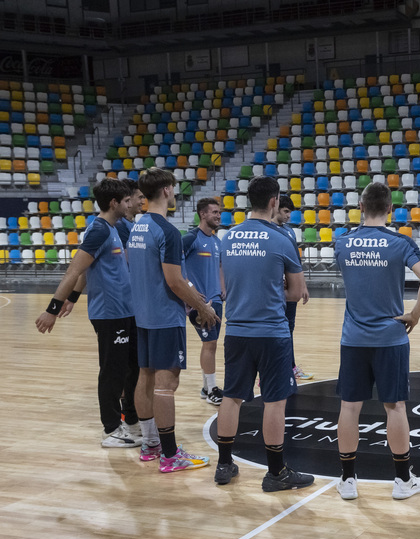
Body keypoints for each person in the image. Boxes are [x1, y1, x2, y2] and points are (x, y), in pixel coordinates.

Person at [333, 182, 420, 501]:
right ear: (390, 208)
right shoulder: (400, 243)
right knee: (395, 407)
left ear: (361, 207)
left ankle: (348, 480)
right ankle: (403, 481)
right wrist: (415, 315)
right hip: (391, 338)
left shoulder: (342, 243)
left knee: (350, 407)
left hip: (354, 337)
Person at [214, 177, 315, 491]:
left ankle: (224, 464)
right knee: (274, 403)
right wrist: (272, 289)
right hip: (272, 332)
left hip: (237, 330)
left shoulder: (227, 238)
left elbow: (223, 289)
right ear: (275, 201)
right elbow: (297, 292)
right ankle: (276, 473)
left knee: (232, 398)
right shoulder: (281, 238)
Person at [35, 178, 141, 448]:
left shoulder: (112, 228)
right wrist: (53, 309)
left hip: (125, 310)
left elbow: (90, 270)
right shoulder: (99, 231)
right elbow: (75, 270)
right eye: (126, 200)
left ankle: (131, 419)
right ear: (114, 203)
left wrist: (73, 297)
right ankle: (110, 429)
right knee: (112, 371)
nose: (131, 204)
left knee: (133, 367)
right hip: (109, 313)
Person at [128, 168, 220, 472]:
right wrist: (203, 307)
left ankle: (150, 444)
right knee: (166, 386)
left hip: (141, 313)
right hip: (165, 316)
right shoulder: (166, 231)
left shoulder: (138, 225)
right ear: (167, 190)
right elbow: (176, 281)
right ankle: (169, 455)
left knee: (146, 376)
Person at [182, 197, 225, 405]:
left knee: (211, 344)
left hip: (215, 300)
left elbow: (219, 267)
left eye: (219, 212)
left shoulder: (217, 241)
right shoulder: (190, 238)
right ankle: (212, 390)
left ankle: (206, 387)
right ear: (203, 214)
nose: (218, 215)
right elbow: (174, 266)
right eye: (214, 212)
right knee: (210, 343)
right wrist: (190, 292)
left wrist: (223, 290)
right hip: (200, 303)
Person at [274, 196, 313, 381]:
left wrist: (302, 285)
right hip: (274, 291)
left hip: (289, 290)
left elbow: (296, 263)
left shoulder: (289, 232)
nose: (289, 216)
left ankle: (290, 367)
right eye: (286, 211)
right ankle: (272, 370)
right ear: (275, 209)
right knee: (276, 330)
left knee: (288, 329)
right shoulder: (269, 230)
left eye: (290, 212)